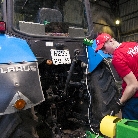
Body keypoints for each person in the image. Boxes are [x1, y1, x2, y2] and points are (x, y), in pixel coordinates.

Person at [95, 33, 138, 120]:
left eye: (104, 48)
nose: (104, 52)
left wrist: (120, 102)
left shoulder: (117, 58)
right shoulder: (133, 45)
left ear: (111, 41)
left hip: (134, 99)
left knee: (130, 128)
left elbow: (133, 86)